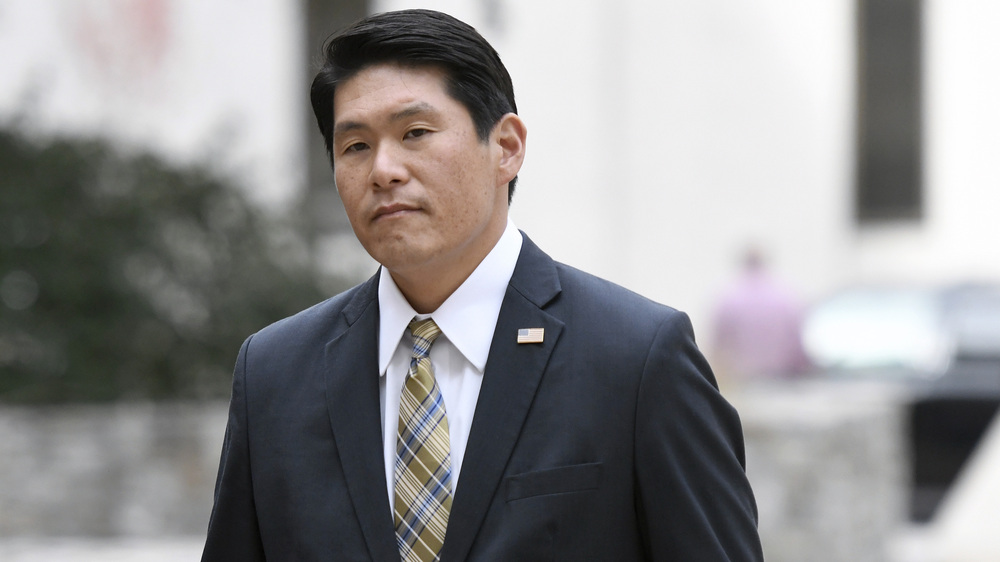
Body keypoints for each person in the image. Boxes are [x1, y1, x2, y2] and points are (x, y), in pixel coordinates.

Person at [202, 9, 763, 561]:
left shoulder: (636, 359)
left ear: (507, 148)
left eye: (415, 133)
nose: (383, 170)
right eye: (355, 146)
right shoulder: (275, 374)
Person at [711, 247, 810, 383]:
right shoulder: (786, 297)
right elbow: (799, 347)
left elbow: (718, 347)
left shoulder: (728, 299)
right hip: (781, 379)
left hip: (743, 381)